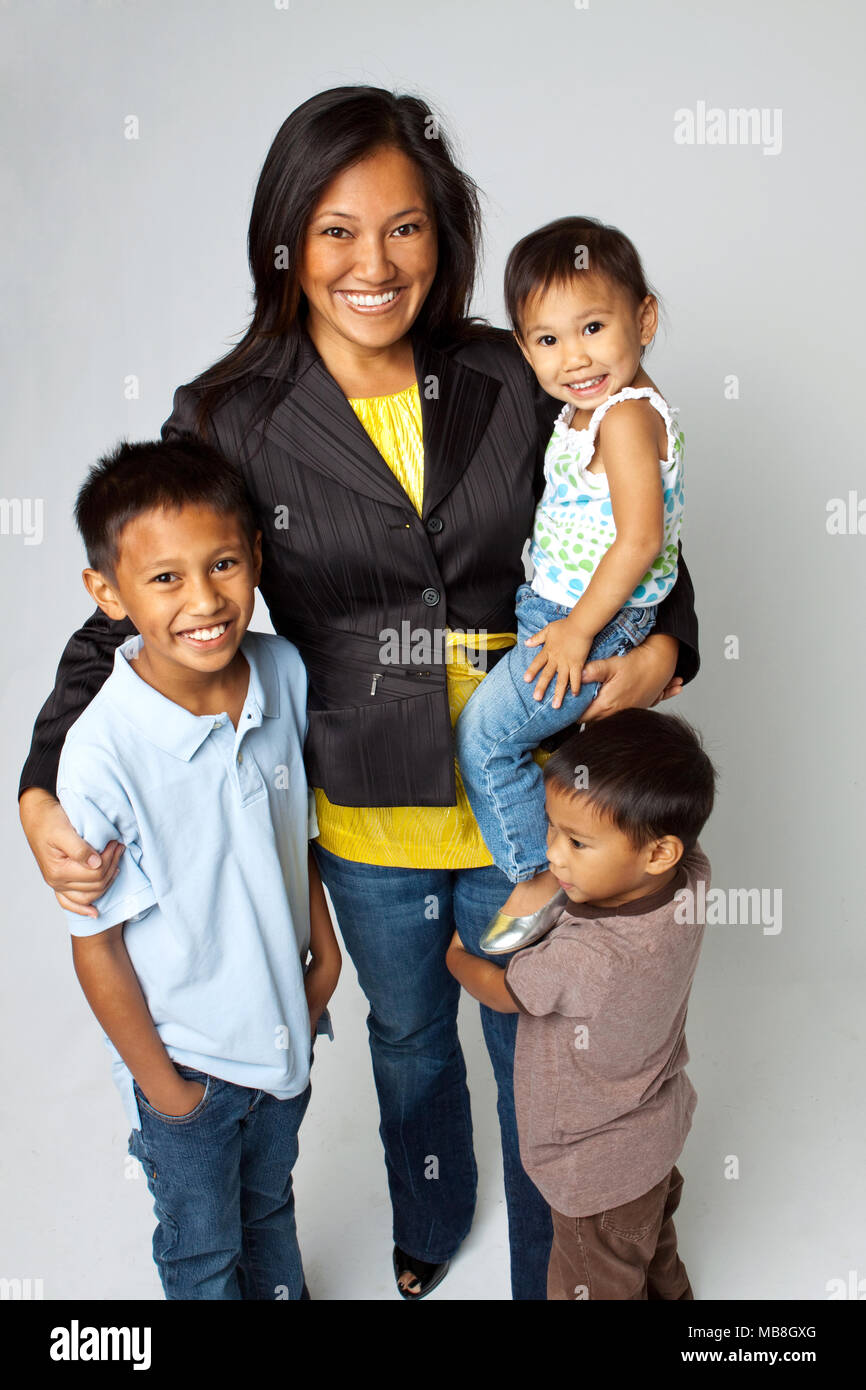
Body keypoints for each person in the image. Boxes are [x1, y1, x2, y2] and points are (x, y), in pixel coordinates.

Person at [17, 86, 699, 1301]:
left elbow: (630, 539)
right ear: (286, 238)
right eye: (335, 230)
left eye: (404, 228)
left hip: (535, 795)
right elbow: (134, 600)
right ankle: (432, 1221)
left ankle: (556, 1270)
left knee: (540, 1036)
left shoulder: (520, 370)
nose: (372, 263)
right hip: (364, 811)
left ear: (443, 236)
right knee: (406, 1036)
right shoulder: (232, 414)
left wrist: (663, 655)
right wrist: (37, 779)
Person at [54, 436, 341, 1300]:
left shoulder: (283, 671)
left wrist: (322, 953)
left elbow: (299, 834)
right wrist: (168, 1094)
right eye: (165, 578)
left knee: (269, 1212)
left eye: (222, 564)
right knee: (204, 1253)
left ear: (256, 556)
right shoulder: (100, 753)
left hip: (285, 1029)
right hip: (187, 1066)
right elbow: (95, 944)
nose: (206, 600)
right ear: (108, 593)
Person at [456, 216, 686, 954]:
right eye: (548, 340)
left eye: (593, 326)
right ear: (523, 347)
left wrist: (584, 628)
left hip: (589, 621)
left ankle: (536, 876)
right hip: (557, 610)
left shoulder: (622, 419)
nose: (574, 356)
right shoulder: (584, 412)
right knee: (568, 763)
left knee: (489, 737)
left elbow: (644, 540)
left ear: (644, 318)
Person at [446, 708, 716, 1300]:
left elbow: (502, 991)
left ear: (657, 853)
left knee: (597, 1283)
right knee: (656, 1258)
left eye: (577, 842)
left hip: (592, 1178)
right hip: (656, 1144)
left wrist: (459, 953)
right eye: (551, 831)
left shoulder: (580, 958)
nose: (555, 857)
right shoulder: (693, 880)